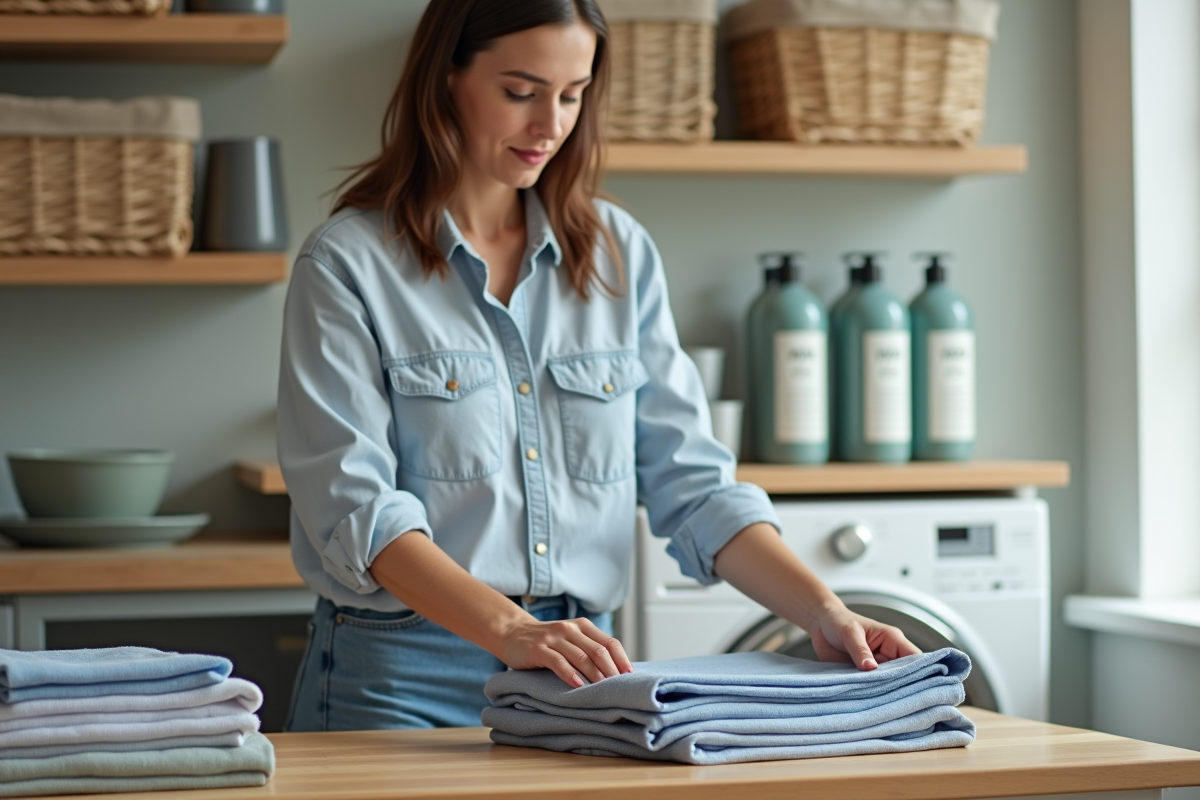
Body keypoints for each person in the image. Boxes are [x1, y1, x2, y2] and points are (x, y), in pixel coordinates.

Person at [278, 0, 919, 733]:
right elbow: (359, 514)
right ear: (446, 79)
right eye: (520, 92)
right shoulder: (346, 264)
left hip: (581, 669)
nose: (550, 124)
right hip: (400, 673)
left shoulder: (618, 254)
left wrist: (829, 615)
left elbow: (695, 486)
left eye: (572, 95)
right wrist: (511, 631)